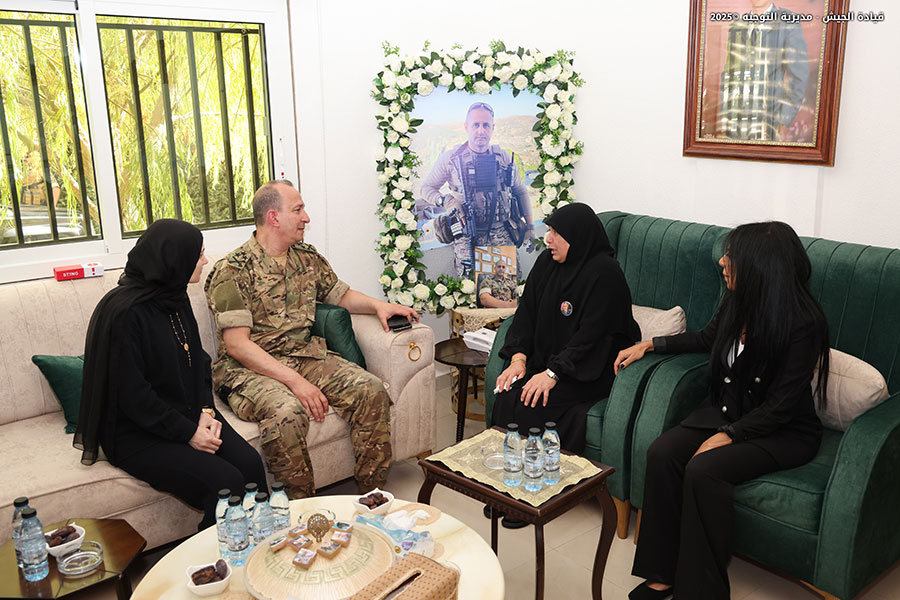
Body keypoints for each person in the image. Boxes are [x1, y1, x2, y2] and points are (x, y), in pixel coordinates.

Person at [618, 221, 830, 600]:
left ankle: (703, 591)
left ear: (760, 265)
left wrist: (728, 435)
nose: (722, 261)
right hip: (729, 412)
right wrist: (651, 344)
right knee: (662, 452)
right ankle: (661, 574)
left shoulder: (804, 323)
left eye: (732, 255)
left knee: (704, 468)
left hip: (781, 431)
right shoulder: (738, 301)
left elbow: (780, 406)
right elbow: (707, 337)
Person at [205, 180, 418, 499]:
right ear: (274, 217)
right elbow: (237, 345)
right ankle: (299, 509)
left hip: (304, 354)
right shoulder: (232, 270)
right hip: (248, 370)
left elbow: (339, 294)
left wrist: (379, 306)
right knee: (287, 413)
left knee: (370, 389)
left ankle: (372, 497)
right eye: (298, 210)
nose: (306, 218)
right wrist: (297, 383)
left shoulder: (306, 257)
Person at [76, 219, 267, 530]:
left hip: (190, 413)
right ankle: (213, 557)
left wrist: (206, 411)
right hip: (137, 433)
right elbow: (134, 397)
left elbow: (198, 363)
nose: (205, 260)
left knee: (250, 465)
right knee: (226, 482)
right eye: (199, 255)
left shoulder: (175, 296)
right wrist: (189, 433)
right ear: (176, 260)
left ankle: (260, 544)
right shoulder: (124, 314)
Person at [492, 203, 640, 454]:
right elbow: (526, 314)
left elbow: (592, 337)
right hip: (551, 362)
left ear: (576, 236)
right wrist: (518, 359)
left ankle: (542, 471)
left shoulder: (606, 274)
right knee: (506, 395)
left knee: (532, 403)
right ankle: (507, 467)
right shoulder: (547, 262)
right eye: (549, 231)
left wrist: (552, 374)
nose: (548, 239)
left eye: (556, 233)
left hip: (589, 369)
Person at [419, 102, 534, 276]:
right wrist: (447, 201)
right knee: (471, 290)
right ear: (467, 127)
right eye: (476, 125)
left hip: (502, 235)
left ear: (492, 128)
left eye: (486, 125)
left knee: (506, 289)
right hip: (467, 238)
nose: (481, 131)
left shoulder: (503, 158)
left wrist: (530, 226)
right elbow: (427, 188)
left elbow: (520, 191)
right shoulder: (451, 159)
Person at [717, 1, 811, 142]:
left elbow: (798, 78)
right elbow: (729, 77)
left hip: (768, 125)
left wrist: (782, 120)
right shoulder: (737, 25)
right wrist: (725, 120)